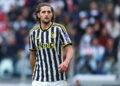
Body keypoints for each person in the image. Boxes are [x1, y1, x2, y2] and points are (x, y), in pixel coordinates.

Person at [29, 3, 74, 86]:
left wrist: (66, 62)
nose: (46, 14)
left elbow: (70, 49)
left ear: (52, 14)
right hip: (39, 80)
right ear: (38, 15)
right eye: (43, 12)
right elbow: (32, 55)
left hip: (58, 79)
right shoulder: (33, 33)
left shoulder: (59, 29)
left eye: (49, 12)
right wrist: (33, 75)